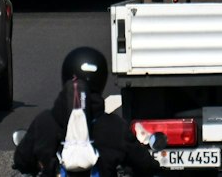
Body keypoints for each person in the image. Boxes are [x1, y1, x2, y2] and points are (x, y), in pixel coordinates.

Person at [12, 47, 162, 177]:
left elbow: (21, 160)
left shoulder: (44, 123)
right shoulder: (114, 127)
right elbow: (143, 164)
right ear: (101, 79)